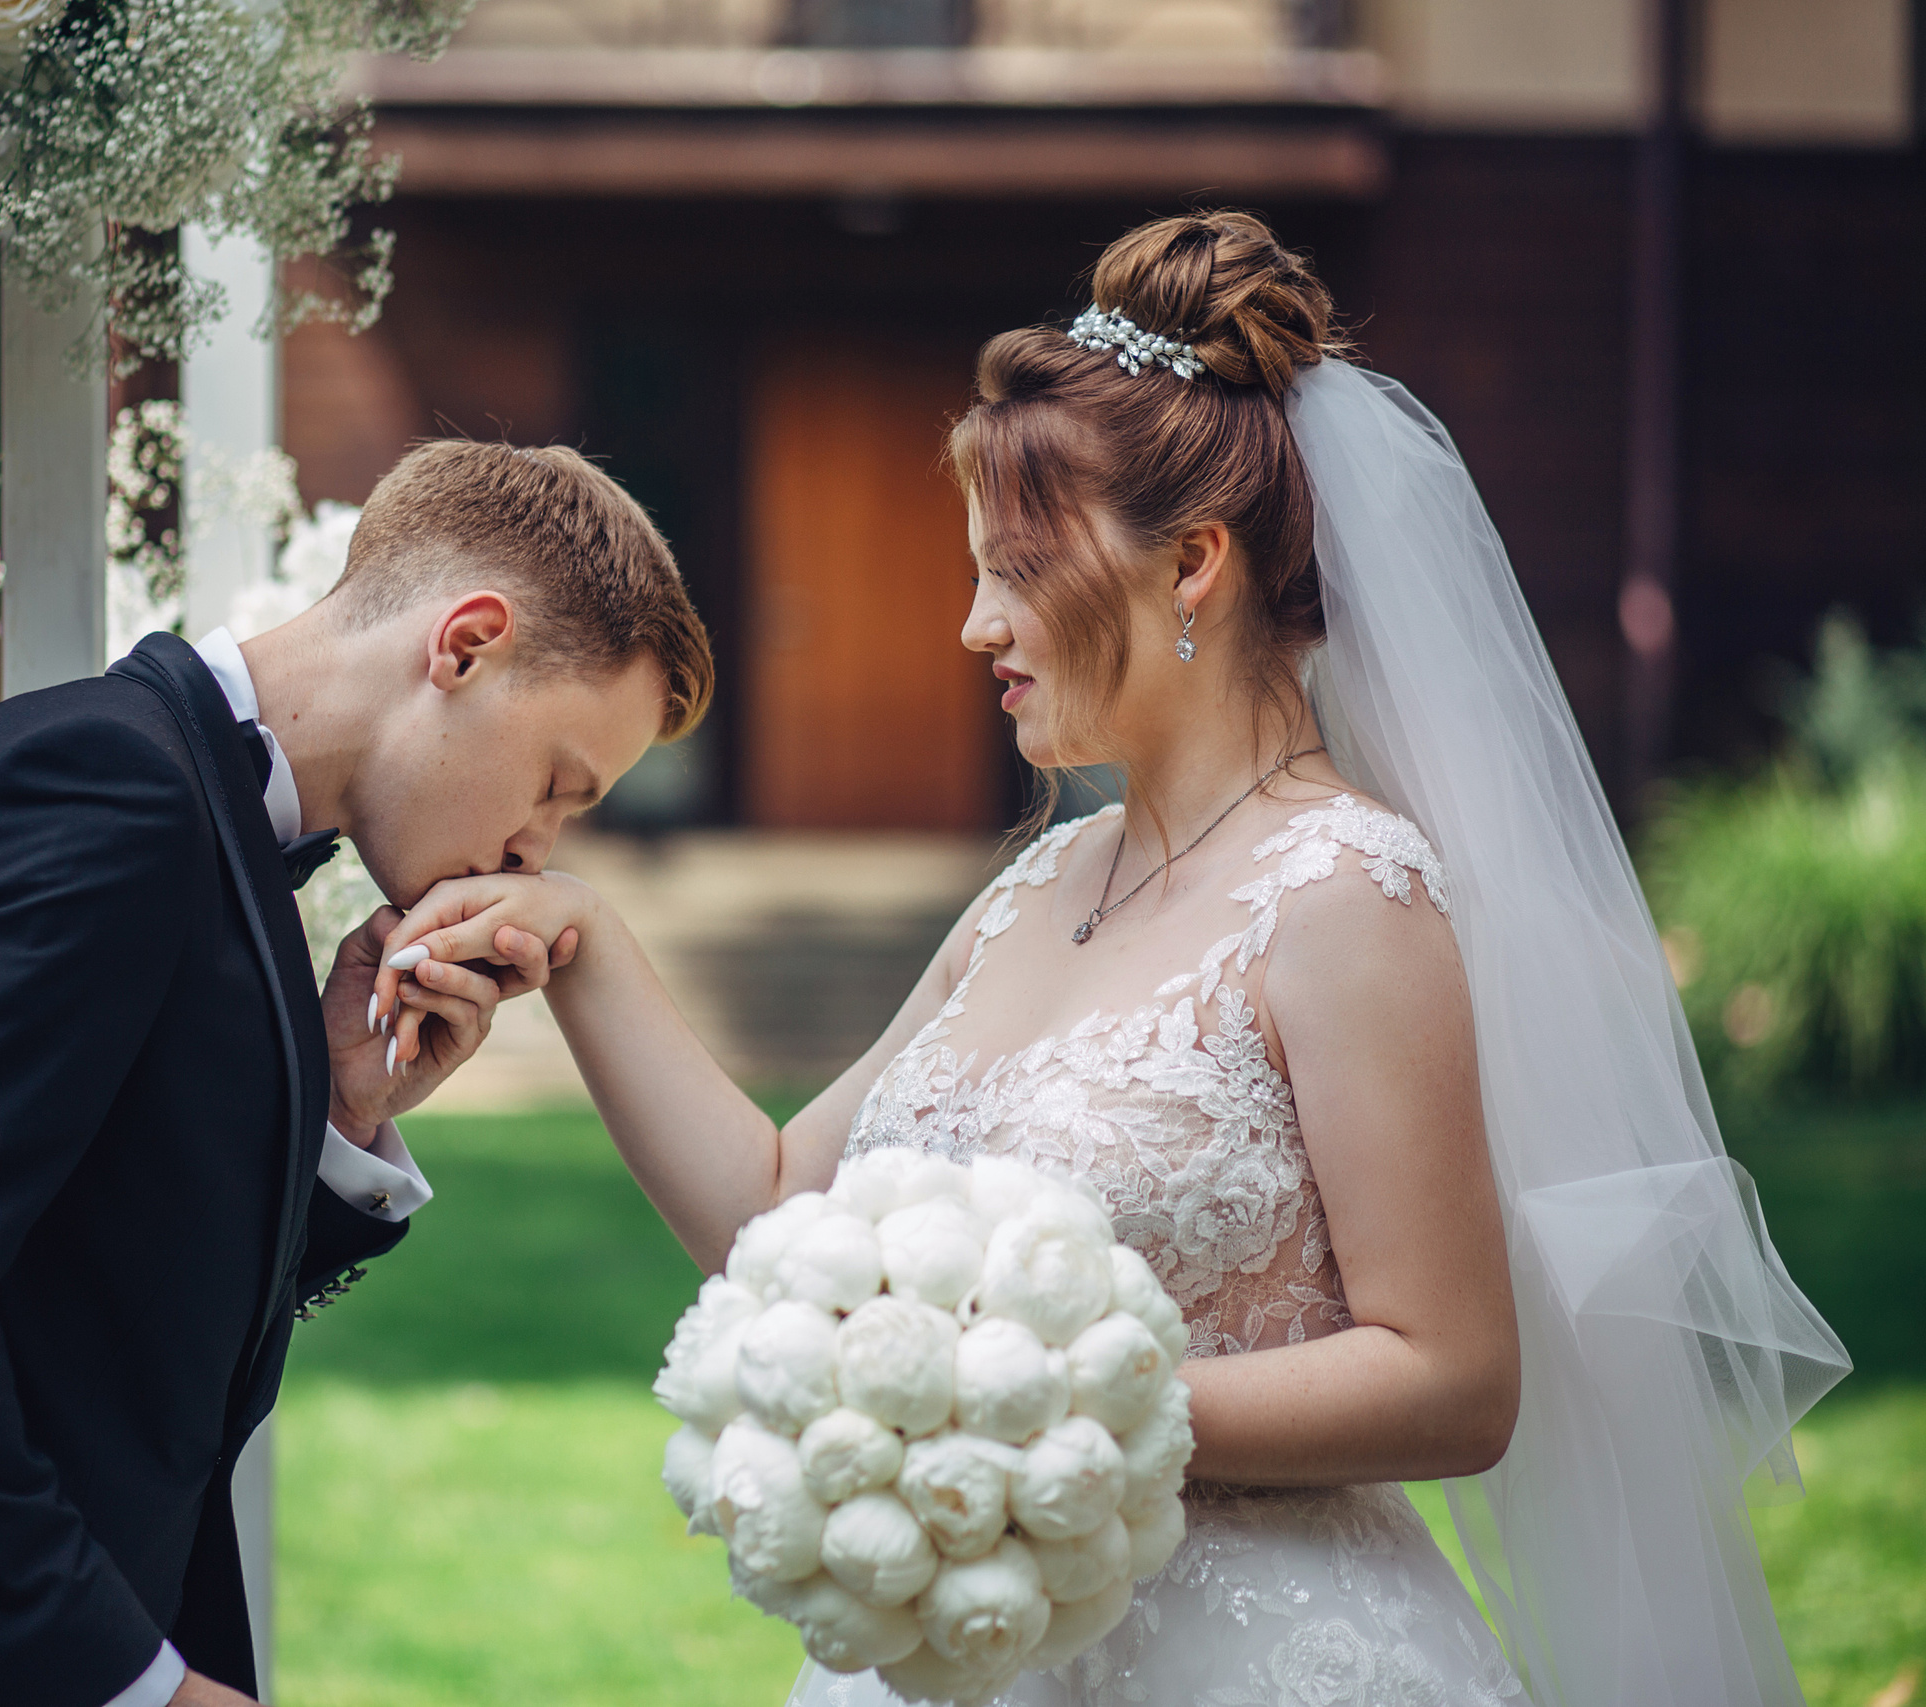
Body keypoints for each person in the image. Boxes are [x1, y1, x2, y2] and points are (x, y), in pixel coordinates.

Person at [374, 214, 1849, 1705]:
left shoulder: (1346, 893)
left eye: (1013, 569)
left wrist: (1045, 1411)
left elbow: (1454, 1375)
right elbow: (773, 1206)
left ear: (1192, 563)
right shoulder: (1033, 887)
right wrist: (588, 947)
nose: (972, 625)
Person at [0, 441, 714, 1707]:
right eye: (558, 785)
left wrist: (335, 1111)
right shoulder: (106, 790)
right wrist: (125, 1683)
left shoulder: (195, 812)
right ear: (465, 644)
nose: (537, 846)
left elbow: (98, 1278)